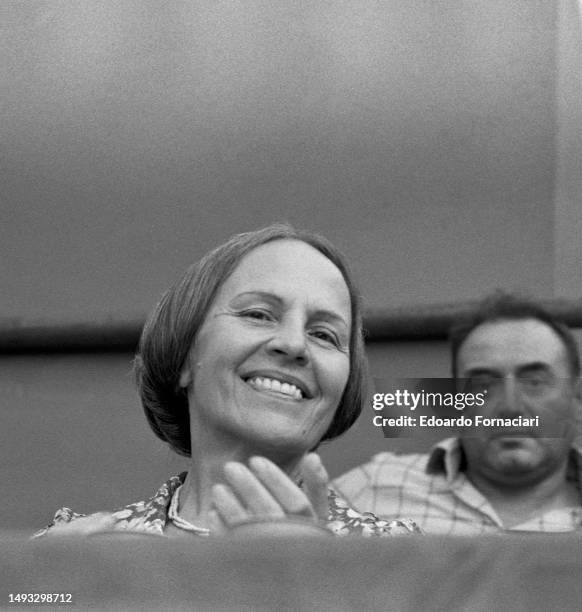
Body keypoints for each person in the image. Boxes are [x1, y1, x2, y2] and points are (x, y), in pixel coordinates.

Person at [36, 224, 419, 538]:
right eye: (258, 314)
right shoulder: (76, 547)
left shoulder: (402, 557)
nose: (293, 344)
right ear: (184, 356)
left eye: (324, 335)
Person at [333, 292, 582, 534]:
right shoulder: (372, 488)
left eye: (535, 382)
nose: (510, 408)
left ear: (579, 399)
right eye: (483, 384)